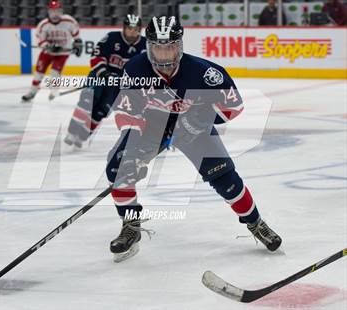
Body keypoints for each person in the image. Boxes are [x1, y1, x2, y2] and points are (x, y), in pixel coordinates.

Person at [106, 16, 282, 262]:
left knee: (224, 177)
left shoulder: (205, 73)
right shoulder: (135, 69)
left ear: (179, 46)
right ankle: (131, 226)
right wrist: (135, 152)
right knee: (118, 166)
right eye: (158, 46)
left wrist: (199, 119)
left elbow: (234, 106)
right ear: (149, 46)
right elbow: (127, 111)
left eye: (170, 46)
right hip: (151, 125)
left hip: (193, 126)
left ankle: (255, 223)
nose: (164, 53)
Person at [64, 14, 146, 148]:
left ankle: (83, 135)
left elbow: (145, 69)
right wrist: (104, 73)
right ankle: (72, 132)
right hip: (99, 77)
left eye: (136, 29)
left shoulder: (145, 46)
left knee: (102, 111)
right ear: (124, 28)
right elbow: (97, 55)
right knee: (87, 101)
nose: (132, 31)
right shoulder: (112, 38)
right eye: (130, 28)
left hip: (119, 87)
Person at [21, 1, 83, 102]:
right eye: (53, 11)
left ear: (61, 11)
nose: (55, 14)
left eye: (58, 11)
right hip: (47, 53)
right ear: (48, 12)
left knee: (55, 72)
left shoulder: (69, 21)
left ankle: (54, 90)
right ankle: (32, 92)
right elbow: (41, 40)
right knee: (39, 73)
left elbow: (76, 35)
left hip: (62, 53)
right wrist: (48, 46)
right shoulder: (43, 25)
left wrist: (78, 45)